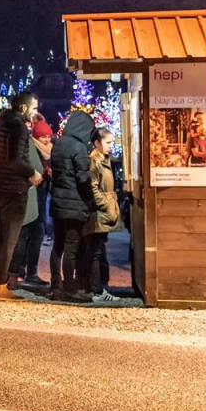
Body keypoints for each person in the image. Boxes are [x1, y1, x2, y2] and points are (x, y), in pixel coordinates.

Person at [0, 91, 41, 302]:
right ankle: (0, 287)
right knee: (10, 240)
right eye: (34, 108)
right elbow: (16, 160)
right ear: (23, 108)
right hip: (14, 189)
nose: (36, 113)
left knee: (1, 236)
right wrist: (32, 173)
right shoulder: (19, 128)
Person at [48, 109, 95, 301]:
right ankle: (70, 289)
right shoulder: (79, 147)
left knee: (57, 246)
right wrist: (91, 199)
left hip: (58, 201)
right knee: (71, 247)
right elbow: (83, 178)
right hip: (74, 204)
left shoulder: (58, 144)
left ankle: (55, 286)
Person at [10, 118, 54, 287]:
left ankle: (29, 271)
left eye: (49, 136)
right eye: (43, 136)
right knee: (28, 233)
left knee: (36, 233)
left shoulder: (48, 151)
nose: (47, 140)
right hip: (31, 194)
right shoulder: (31, 147)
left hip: (41, 195)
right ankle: (19, 271)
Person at [83, 127, 122, 303]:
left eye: (111, 142)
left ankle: (95, 288)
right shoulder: (95, 161)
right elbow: (93, 187)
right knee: (95, 250)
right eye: (107, 142)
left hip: (103, 211)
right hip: (99, 212)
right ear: (97, 143)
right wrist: (105, 204)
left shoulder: (104, 160)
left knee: (97, 250)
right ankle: (96, 291)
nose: (110, 146)